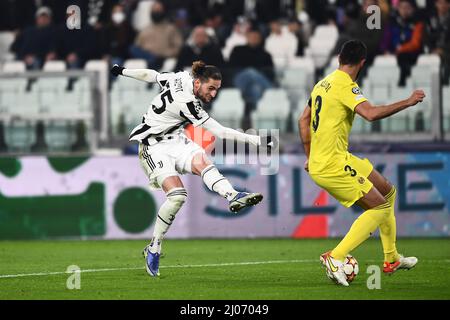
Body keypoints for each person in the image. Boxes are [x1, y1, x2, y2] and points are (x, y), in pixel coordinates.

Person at [111, 60, 269, 277]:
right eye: (210, 88)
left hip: (176, 140)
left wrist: (122, 71)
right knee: (177, 197)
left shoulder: (179, 77)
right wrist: (256, 140)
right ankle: (154, 247)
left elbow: (152, 75)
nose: (213, 94)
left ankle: (233, 195)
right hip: (153, 146)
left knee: (203, 161)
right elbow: (220, 132)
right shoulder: (188, 103)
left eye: (216, 89)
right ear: (198, 83)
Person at [299, 40, 423, 286]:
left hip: (335, 157)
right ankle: (336, 257)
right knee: (378, 207)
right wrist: (407, 102)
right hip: (331, 164)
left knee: (388, 192)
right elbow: (371, 114)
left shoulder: (322, 84)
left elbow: (304, 120)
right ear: (362, 63)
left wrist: (310, 156)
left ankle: (391, 258)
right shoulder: (346, 85)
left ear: (339, 58)